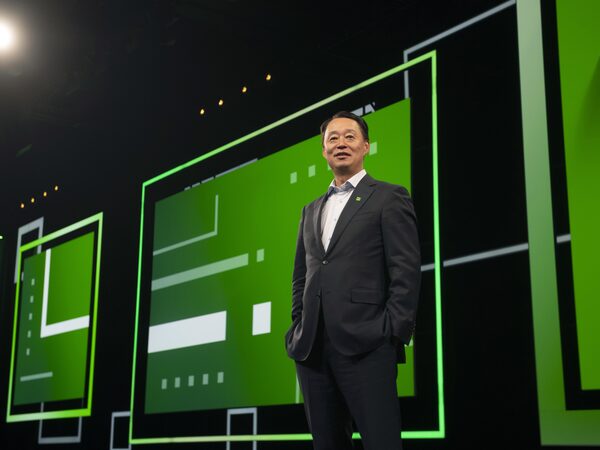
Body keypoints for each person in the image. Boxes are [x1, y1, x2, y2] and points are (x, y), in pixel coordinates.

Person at [285, 111, 421, 450]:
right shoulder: (309, 210)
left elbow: (405, 269)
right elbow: (301, 277)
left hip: (369, 344)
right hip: (312, 349)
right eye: (332, 138)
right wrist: (299, 324)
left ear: (365, 146)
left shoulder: (389, 197)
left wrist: (392, 332)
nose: (340, 143)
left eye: (349, 136)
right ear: (324, 151)